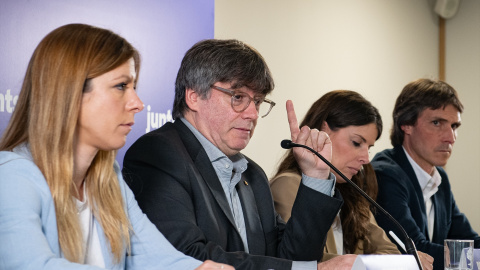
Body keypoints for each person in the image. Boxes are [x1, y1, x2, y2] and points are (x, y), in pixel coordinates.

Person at [0, 24, 232, 270]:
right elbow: (29, 265)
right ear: (70, 93)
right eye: (121, 86)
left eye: (134, 87)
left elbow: (153, 255)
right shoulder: (11, 177)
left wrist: (199, 268)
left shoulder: (108, 178)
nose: (138, 103)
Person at [123, 39, 357, 270]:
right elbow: (188, 256)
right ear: (193, 96)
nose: (253, 114)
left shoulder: (253, 175)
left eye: (257, 101)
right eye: (238, 97)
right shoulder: (157, 154)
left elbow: (291, 258)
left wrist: (315, 176)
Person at [271, 90, 404, 260]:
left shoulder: (352, 192)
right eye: (356, 143)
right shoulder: (288, 185)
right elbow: (299, 259)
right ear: (323, 131)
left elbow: (390, 252)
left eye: (369, 148)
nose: (365, 158)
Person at [371, 78, 480, 270]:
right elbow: (414, 251)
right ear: (406, 124)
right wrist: (476, 260)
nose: (450, 137)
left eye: (454, 126)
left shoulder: (439, 178)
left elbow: (468, 240)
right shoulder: (386, 174)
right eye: (437, 122)